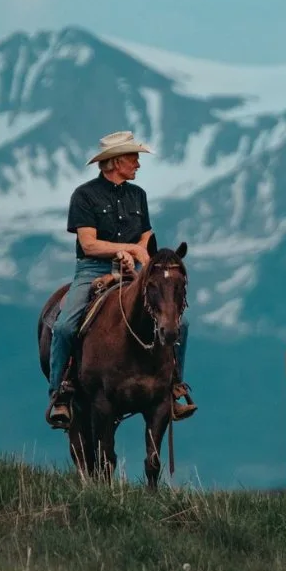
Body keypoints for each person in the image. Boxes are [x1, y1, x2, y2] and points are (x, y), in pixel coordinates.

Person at [46, 130, 195, 428]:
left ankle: (174, 385)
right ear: (114, 162)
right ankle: (60, 394)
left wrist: (137, 254)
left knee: (182, 322)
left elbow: (146, 236)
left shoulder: (138, 196)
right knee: (64, 326)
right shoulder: (84, 195)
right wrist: (126, 249)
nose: (138, 163)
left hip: (132, 276)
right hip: (92, 271)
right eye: (133, 157)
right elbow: (89, 244)